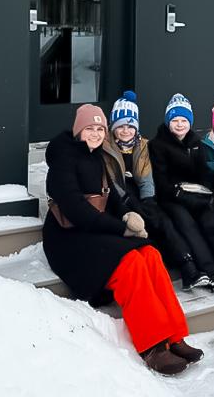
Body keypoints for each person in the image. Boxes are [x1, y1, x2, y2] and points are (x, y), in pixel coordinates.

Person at [43, 102, 203, 375]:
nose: (95, 133)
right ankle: (152, 345)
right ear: (78, 130)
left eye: (99, 128)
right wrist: (121, 229)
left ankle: (174, 336)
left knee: (150, 254)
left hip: (95, 228)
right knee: (130, 262)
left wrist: (129, 216)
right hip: (68, 237)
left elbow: (113, 196)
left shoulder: (97, 155)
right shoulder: (63, 160)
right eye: (89, 128)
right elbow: (77, 210)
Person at [103, 90, 204, 289]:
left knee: (163, 221)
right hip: (120, 200)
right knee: (143, 225)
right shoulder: (106, 148)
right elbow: (111, 181)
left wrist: (148, 200)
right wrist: (131, 203)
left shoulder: (142, 145)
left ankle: (187, 265)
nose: (126, 131)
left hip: (141, 195)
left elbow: (145, 177)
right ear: (113, 127)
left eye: (130, 126)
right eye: (121, 126)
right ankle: (160, 267)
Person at [149, 93, 214, 290]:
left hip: (195, 194)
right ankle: (210, 272)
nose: (179, 124)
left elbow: (204, 172)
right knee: (188, 225)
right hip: (172, 197)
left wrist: (205, 193)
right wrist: (179, 195)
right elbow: (160, 181)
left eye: (184, 120)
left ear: (190, 122)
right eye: (175, 120)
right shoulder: (158, 144)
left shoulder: (196, 142)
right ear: (168, 121)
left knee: (210, 222)